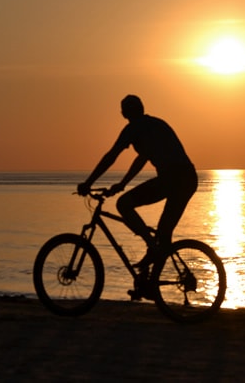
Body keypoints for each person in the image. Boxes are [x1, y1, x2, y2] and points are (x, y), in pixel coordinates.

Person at [77, 95, 198, 277]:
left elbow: (111, 156)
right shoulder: (154, 124)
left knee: (123, 204)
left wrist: (88, 183)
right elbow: (142, 158)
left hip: (174, 179)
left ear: (125, 113)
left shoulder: (133, 128)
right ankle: (151, 280)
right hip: (186, 178)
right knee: (163, 234)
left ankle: (151, 248)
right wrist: (122, 184)